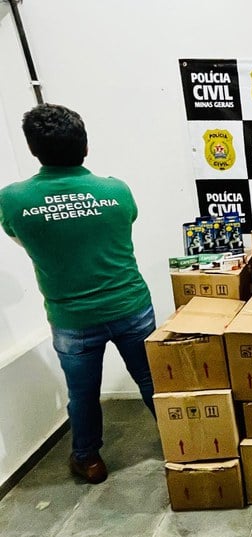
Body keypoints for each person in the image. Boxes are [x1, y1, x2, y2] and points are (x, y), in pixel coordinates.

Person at [0, 104, 156, 484]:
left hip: (73, 319)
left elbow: (20, 237)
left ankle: (88, 459)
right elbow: (126, 224)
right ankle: (187, 438)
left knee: (83, 394)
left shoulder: (13, 199)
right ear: (85, 146)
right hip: (131, 305)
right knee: (154, 380)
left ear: (33, 149)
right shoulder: (115, 190)